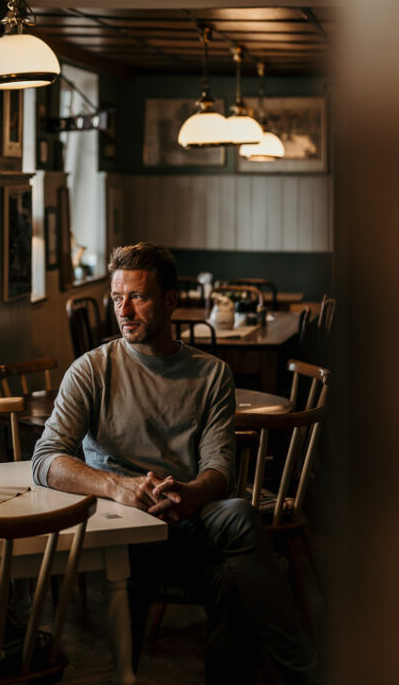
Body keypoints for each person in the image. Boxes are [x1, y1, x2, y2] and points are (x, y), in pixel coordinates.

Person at [32, 242, 317, 684]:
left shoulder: (212, 374)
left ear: (170, 300)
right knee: (238, 568)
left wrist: (192, 494)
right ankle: (306, 675)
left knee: (236, 524)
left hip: (187, 523)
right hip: (119, 526)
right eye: (116, 298)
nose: (124, 310)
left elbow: (221, 468)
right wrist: (119, 487)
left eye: (139, 297)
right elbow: (45, 460)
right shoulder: (91, 369)